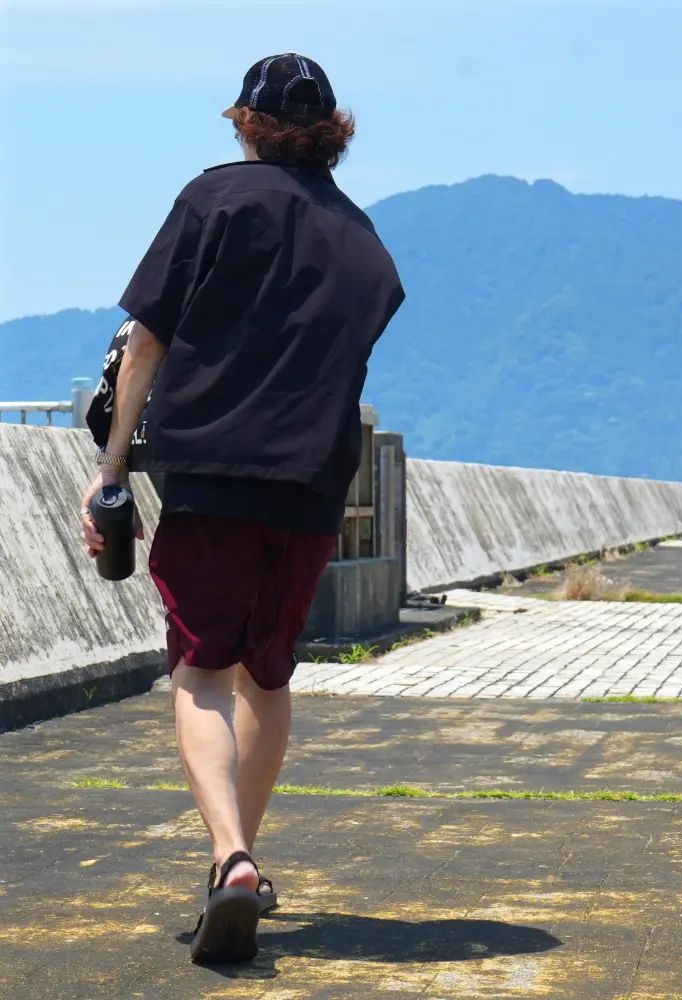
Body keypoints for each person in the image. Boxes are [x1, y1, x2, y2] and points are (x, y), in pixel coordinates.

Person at [78, 53, 404, 964]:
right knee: (269, 673)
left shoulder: (215, 199)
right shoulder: (365, 241)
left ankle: (229, 857)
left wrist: (110, 472)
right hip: (310, 486)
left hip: (213, 473)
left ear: (247, 124)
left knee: (201, 669)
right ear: (333, 131)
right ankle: (242, 864)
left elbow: (145, 343)